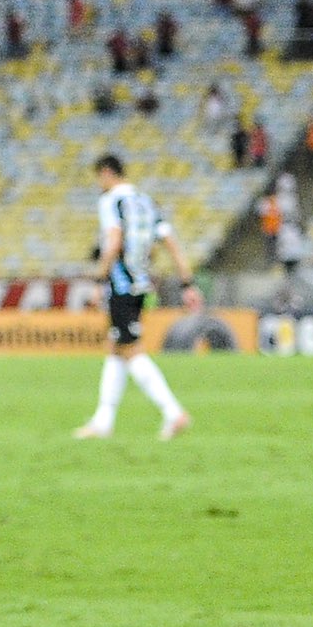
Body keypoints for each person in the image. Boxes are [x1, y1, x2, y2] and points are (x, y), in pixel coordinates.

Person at [73, 154, 204, 442]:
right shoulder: (147, 202)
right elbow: (171, 243)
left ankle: (173, 412)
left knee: (130, 350)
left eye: (99, 178)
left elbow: (114, 241)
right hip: (142, 285)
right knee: (116, 347)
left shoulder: (111, 202)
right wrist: (187, 284)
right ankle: (102, 422)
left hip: (122, 284)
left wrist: (99, 279)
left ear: (107, 173)